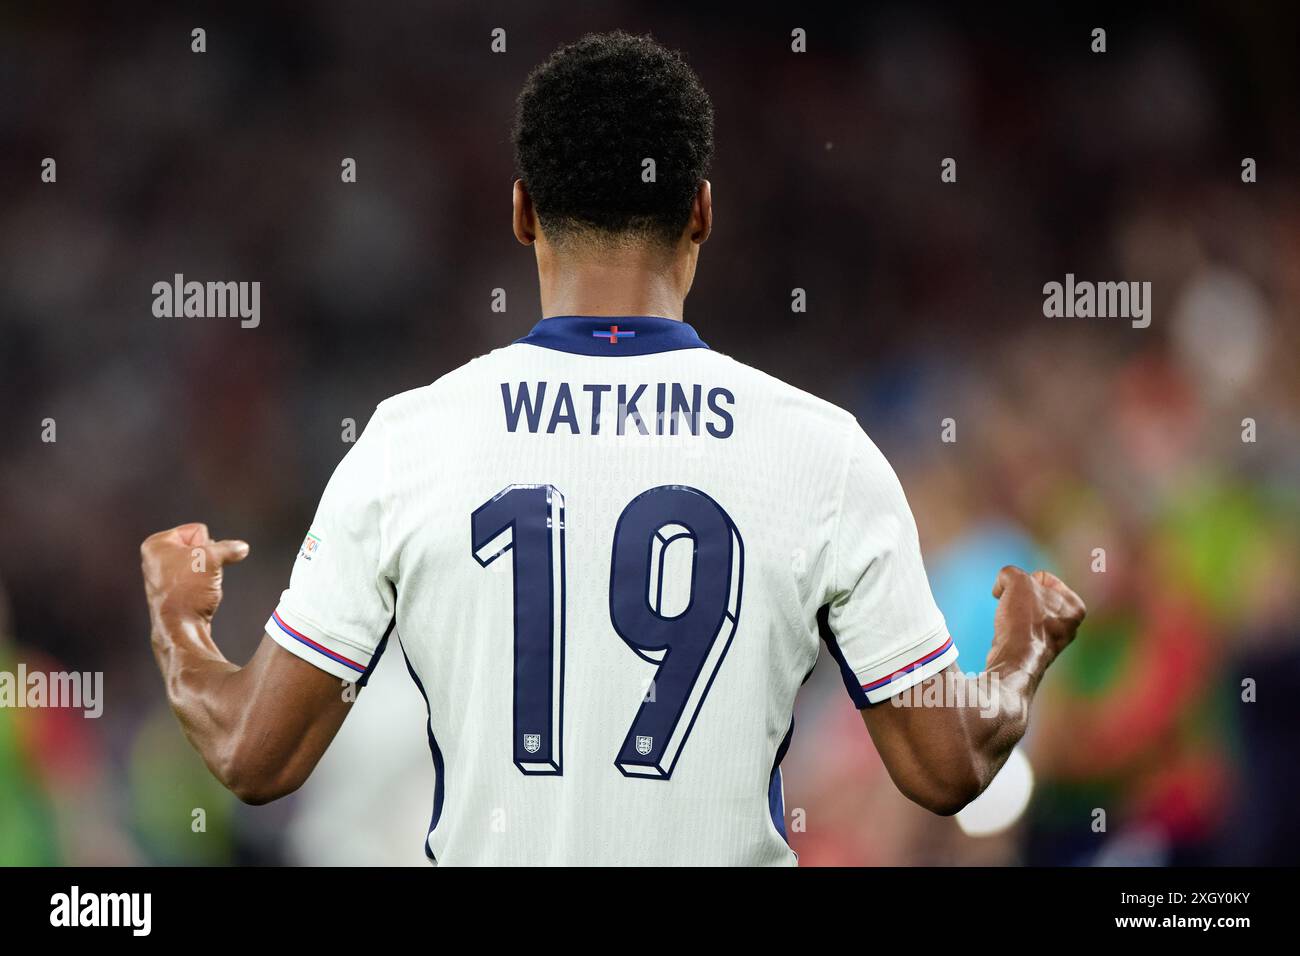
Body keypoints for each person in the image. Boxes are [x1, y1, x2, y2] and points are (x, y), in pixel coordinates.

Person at [139, 31, 1085, 865]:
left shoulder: (407, 443)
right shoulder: (823, 453)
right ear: (703, 213)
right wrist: (1019, 655)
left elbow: (251, 757)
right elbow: (948, 767)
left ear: (521, 213)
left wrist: (179, 621)